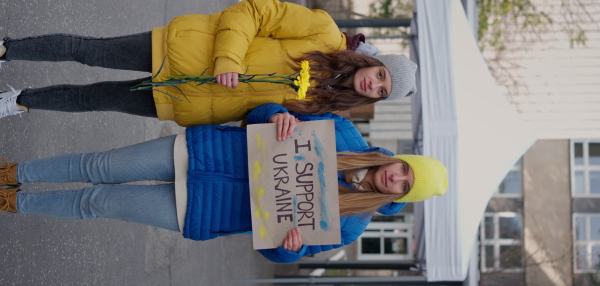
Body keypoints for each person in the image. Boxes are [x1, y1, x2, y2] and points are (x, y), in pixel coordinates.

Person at [0, 103, 447, 263]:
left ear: (398, 198)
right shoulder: (343, 133)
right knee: (98, 166)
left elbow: (272, 248)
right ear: (402, 160)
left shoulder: (350, 226)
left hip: (199, 210)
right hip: (201, 152)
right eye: (406, 169)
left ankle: (13, 205)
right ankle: (15, 174)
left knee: (96, 203)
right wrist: (277, 115)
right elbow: (259, 113)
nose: (397, 178)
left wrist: (287, 247)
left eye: (405, 186)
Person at [0, 0, 417, 126]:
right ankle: (7, 48)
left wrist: (274, 120)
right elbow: (252, 13)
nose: (374, 85)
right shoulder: (324, 33)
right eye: (381, 75)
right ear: (372, 61)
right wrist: (228, 58)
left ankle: (19, 101)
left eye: (382, 91)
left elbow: (255, 120)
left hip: (189, 100)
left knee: (94, 101)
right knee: (87, 51)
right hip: (182, 51)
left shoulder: (325, 110)